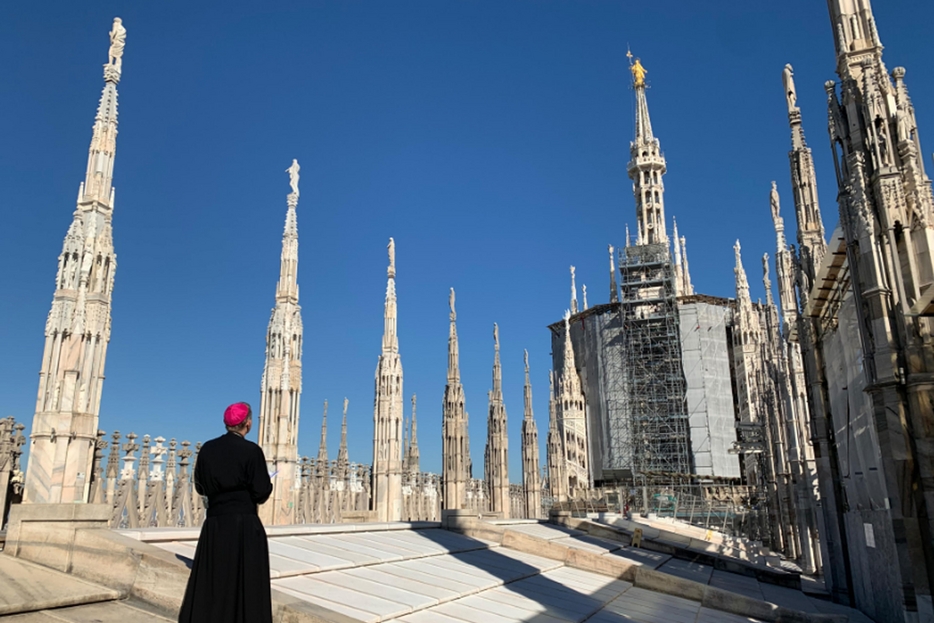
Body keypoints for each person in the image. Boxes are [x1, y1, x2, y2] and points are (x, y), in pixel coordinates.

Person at [178, 402, 273, 623]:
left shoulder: (208, 449)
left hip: (216, 525)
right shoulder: (252, 451)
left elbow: (200, 486)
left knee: (213, 581)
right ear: (248, 423)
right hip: (244, 527)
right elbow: (261, 492)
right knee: (246, 583)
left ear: (226, 423)